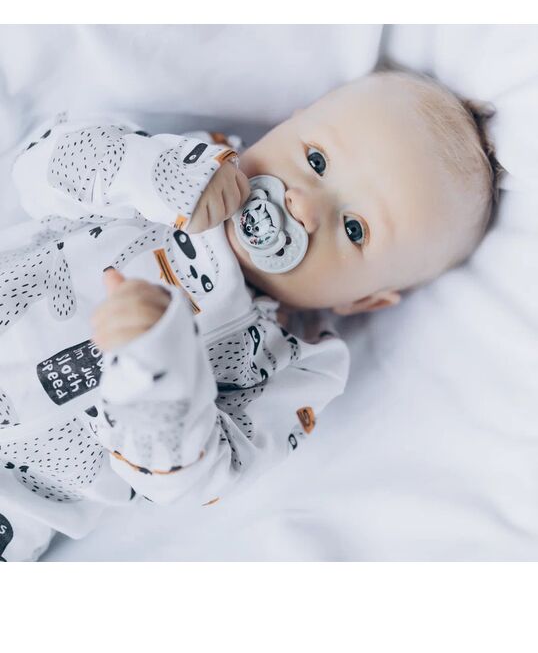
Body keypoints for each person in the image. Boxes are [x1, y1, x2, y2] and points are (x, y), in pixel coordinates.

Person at [0, 70, 500, 561]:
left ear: (363, 300)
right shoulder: (185, 159)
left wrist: (155, 370)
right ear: (289, 122)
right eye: (317, 160)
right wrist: (159, 172)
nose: (303, 205)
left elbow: (195, 480)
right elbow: (35, 167)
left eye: (354, 229)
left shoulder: (299, 370)